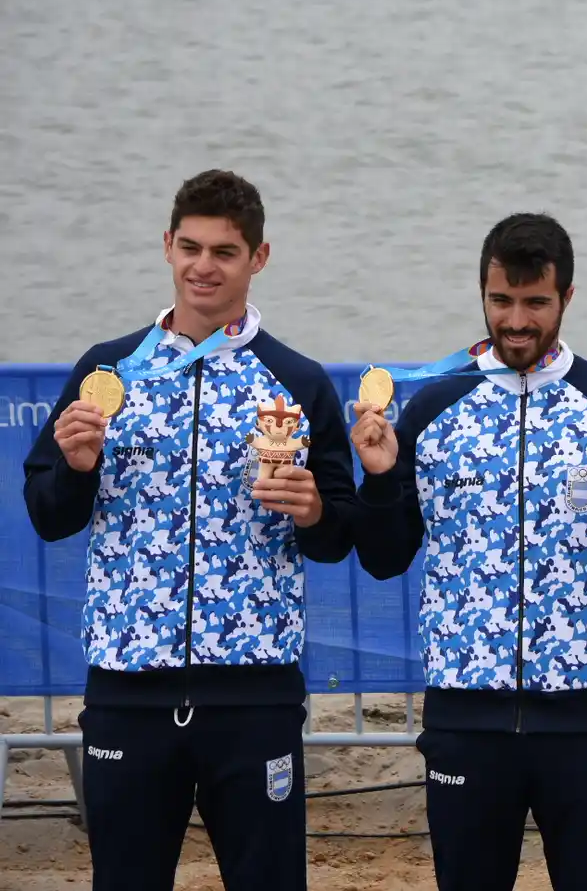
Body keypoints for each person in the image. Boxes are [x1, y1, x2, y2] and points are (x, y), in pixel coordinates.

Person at [347, 212, 587, 891]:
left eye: (535, 302)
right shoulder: (432, 408)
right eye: (501, 301)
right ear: (482, 294)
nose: (516, 320)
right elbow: (384, 556)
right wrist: (378, 479)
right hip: (464, 718)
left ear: (566, 298)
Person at [22, 169, 358, 891]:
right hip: (127, 690)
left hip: (255, 695)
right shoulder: (106, 370)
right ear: (167, 247)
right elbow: (49, 517)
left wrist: (315, 511)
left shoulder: (298, 381)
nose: (204, 266)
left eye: (225, 252)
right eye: (191, 247)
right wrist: (75, 468)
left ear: (258, 258)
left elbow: (339, 535)